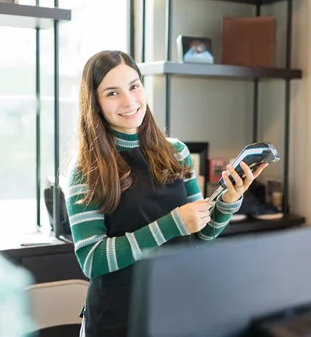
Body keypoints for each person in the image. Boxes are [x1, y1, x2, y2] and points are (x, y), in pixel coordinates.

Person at [64, 50, 268, 337]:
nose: (129, 101)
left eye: (134, 86)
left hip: (175, 309)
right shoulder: (86, 169)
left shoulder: (176, 152)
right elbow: (92, 259)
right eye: (112, 93)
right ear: (94, 103)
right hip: (117, 319)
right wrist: (170, 225)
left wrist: (229, 201)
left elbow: (200, 236)